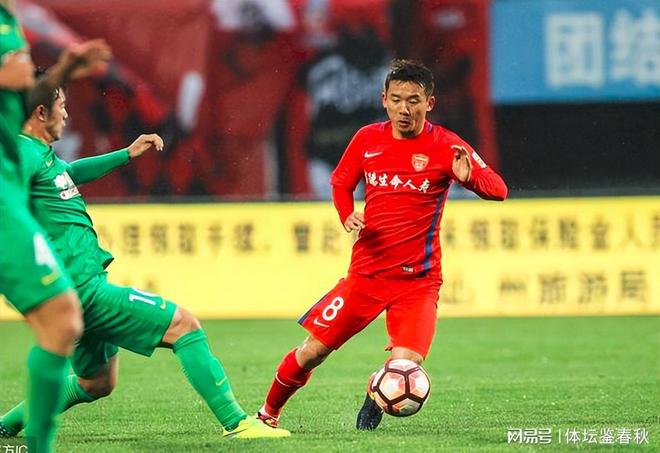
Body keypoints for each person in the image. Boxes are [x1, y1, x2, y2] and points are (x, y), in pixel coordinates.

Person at [0, 87, 290, 440]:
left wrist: (126, 154)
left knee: (96, 382)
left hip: (74, 290)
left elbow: (68, 173)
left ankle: (6, 424)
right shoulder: (22, 155)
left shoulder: (41, 155)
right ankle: (237, 423)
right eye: (62, 106)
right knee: (184, 325)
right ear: (41, 112)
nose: (67, 114)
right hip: (81, 289)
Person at [256, 59, 508, 432]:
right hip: (366, 276)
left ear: (429, 103)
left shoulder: (447, 145)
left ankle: (375, 398)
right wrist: (346, 214)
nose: (404, 109)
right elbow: (341, 182)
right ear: (384, 100)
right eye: (396, 99)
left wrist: (470, 179)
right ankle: (267, 414)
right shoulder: (367, 139)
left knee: (406, 366)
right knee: (312, 352)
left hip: (418, 282)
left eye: (413, 100)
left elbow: (499, 190)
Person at [0, 2, 111, 451]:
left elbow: (27, 96)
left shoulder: (10, 21)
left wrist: (64, 67)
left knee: (64, 321)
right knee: (63, 321)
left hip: (10, 204)